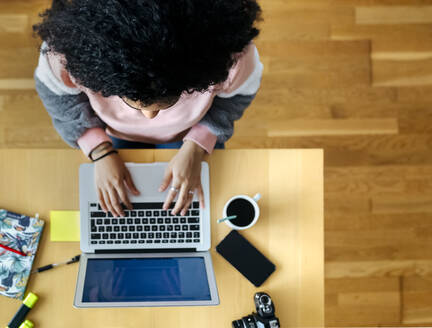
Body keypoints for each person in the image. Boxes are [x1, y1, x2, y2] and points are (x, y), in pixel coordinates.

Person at [33, 0, 263, 218]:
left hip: (192, 133)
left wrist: (197, 145)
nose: (149, 117)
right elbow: (58, 96)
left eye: (166, 102)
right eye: (132, 101)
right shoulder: (68, 53)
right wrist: (99, 150)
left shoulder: (232, 59)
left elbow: (236, 96)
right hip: (112, 134)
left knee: (205, 203)